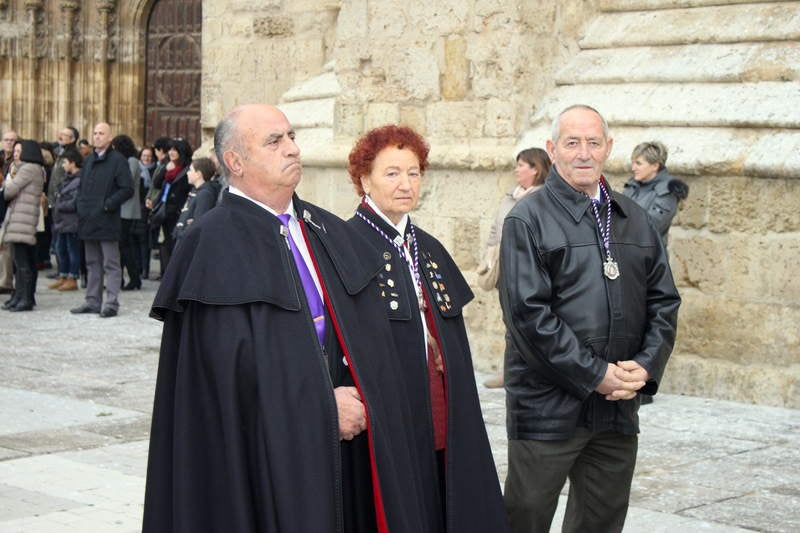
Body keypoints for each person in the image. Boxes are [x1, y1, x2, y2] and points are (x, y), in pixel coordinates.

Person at [143, 104, 439, 532]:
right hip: (260, 467)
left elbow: (366, 333)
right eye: (274, 141)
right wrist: (320, 408)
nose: (293, 149)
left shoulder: (327, 230)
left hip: (345, 457)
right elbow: (223, 381)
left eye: (292, 136)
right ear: (235, 162)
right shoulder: (209, 245)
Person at [499, 104, 681, 533]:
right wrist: (594, 373)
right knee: (524, 518)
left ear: (608, 148)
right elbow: (529, 317)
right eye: (572, 142)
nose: (584, 153)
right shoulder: (527, 218)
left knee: (600, 521)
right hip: (547, 407)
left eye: (593, 142)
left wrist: (646, 365)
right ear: (553, 149)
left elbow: (664, 301)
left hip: (617, 408)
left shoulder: (633, 217)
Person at [346, 125, 510, 532]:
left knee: (442, 494)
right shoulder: (343, 245)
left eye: (414, 172)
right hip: (390, 411)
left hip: (439, 402)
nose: (406, 184)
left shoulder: (429, 247)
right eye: (392, 173)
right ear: (364, 179)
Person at [479, 147, 551, 389]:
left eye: (522, 165)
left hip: (528, 272)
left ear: (536, 169)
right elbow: (494, 229)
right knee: (509, 322)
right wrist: (489, 255)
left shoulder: (544, 199)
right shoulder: (511, 196)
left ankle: (533, 373)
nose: (516, 169)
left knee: (530, 322)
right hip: (505, 270)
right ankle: (510, 371)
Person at [70, 122, 133, 318]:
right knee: (91, 263)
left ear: (109, 138)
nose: (97, 136)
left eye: (101, 133)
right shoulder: (88, 160)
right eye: (95, 133)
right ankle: (92, 301)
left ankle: (111, 303)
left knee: (111, 264)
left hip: (107, 220)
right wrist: (80, 206)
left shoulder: (118, 161)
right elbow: (81, 187)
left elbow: (127, 189)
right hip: (88, 220)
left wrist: (107, 205)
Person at [0, 139, 45, 311]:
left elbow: (9, 191)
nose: (16, 154)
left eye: (20, 151)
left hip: (22, 220)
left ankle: (25, 298)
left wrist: (7, 184)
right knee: (21, 261)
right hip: (22, 218)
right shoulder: (32, 169)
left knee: (22, 263)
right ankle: (19, 296)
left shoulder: (28, 169)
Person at [623, 141, 689, 250]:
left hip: (650, 258)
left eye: (638, 163)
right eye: (633, 163)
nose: (633, 168)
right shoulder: (632, 186)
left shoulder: (667, 191)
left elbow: (650, 227)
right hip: (625, 253)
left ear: (655, 166)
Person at [112, 134, 144, 291]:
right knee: (123, 245)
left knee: (123, 246)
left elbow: (126, 181)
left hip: (127, 209)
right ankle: (127, 278)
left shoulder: (131, 161)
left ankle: (133, 278)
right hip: (122, 209)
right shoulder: (127, 161)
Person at [49, 148, 82, 291]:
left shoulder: (80, 179)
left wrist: (59, 204)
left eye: (65, 162)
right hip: (62, 221)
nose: (63, 165)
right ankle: (63, 275)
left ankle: (72, 277)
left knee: (72, 250)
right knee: (60, 248)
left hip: (72, 221)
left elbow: (76, 201)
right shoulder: (68, 178)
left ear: (73, 163)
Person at [172, 157, 220, 241]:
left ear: (198, 174)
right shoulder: (196, 191)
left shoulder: (205, 195)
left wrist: (183, 232)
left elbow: (198, 225)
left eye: (190, 170)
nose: (187, 173)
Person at [0, 130, 19, 294]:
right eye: (6, 140)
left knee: (6, 247)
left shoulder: (18, 161)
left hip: (10, 207)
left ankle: (5, 282)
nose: (9, 143)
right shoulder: (0, 158)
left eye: (12, 140)